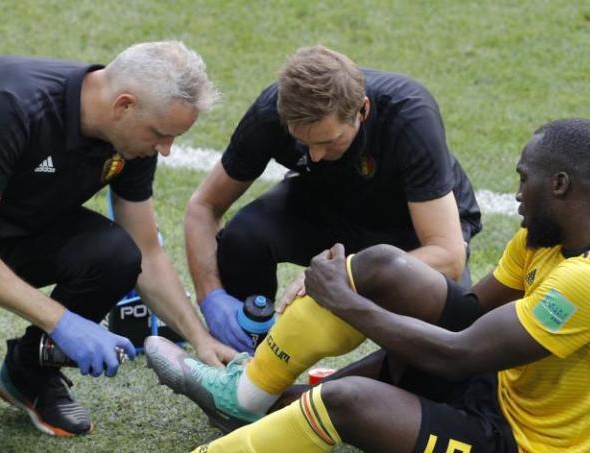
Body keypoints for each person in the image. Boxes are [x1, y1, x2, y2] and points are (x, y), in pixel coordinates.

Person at [45, 118, 590, 453]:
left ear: (560, 184)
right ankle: (247, 394)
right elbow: (471, 314)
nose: (514, 193)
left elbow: (457, 353)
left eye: (525, 179)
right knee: (381, 267)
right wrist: (363, 290)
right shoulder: (549, 238)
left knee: (351, 401)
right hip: (503, 389)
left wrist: (346, 306)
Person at [0, 41, 237, 453]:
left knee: (119, 254)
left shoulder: (133, 139)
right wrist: (62, 321)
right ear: (124, 105)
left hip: (20, 232)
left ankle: (27, 374)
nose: (166, 149)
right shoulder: (10, 107)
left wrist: (200, 340)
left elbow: (147, 253)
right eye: (161, 134)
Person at [186, 45, 482, 353]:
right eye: (303, 142)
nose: (315, 155)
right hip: (328, 201)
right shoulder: (269, 114)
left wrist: (343, 274)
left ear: (362, 111)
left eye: (329, 141)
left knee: (447, 336)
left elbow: (447, 255)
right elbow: (204, 206)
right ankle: (245, 360)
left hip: (411, 225)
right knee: (243, 238)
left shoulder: (408, 114)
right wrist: (211, 297)